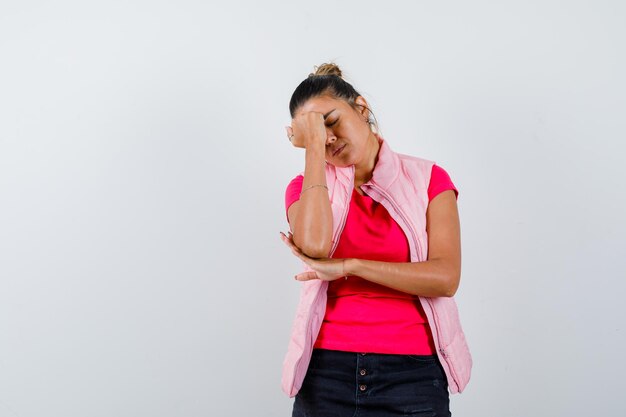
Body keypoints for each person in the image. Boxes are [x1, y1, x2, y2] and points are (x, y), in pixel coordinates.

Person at [279, 63, 472, 417]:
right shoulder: (303, 188)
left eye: (331, 121)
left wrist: (351, 266)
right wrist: (314, 153)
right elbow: (315, 247)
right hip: (326, 374)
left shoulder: (428, 178)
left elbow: (446, 278)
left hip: (412, 376)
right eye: (315, 134)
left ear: (361, 107)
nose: (329, 138)